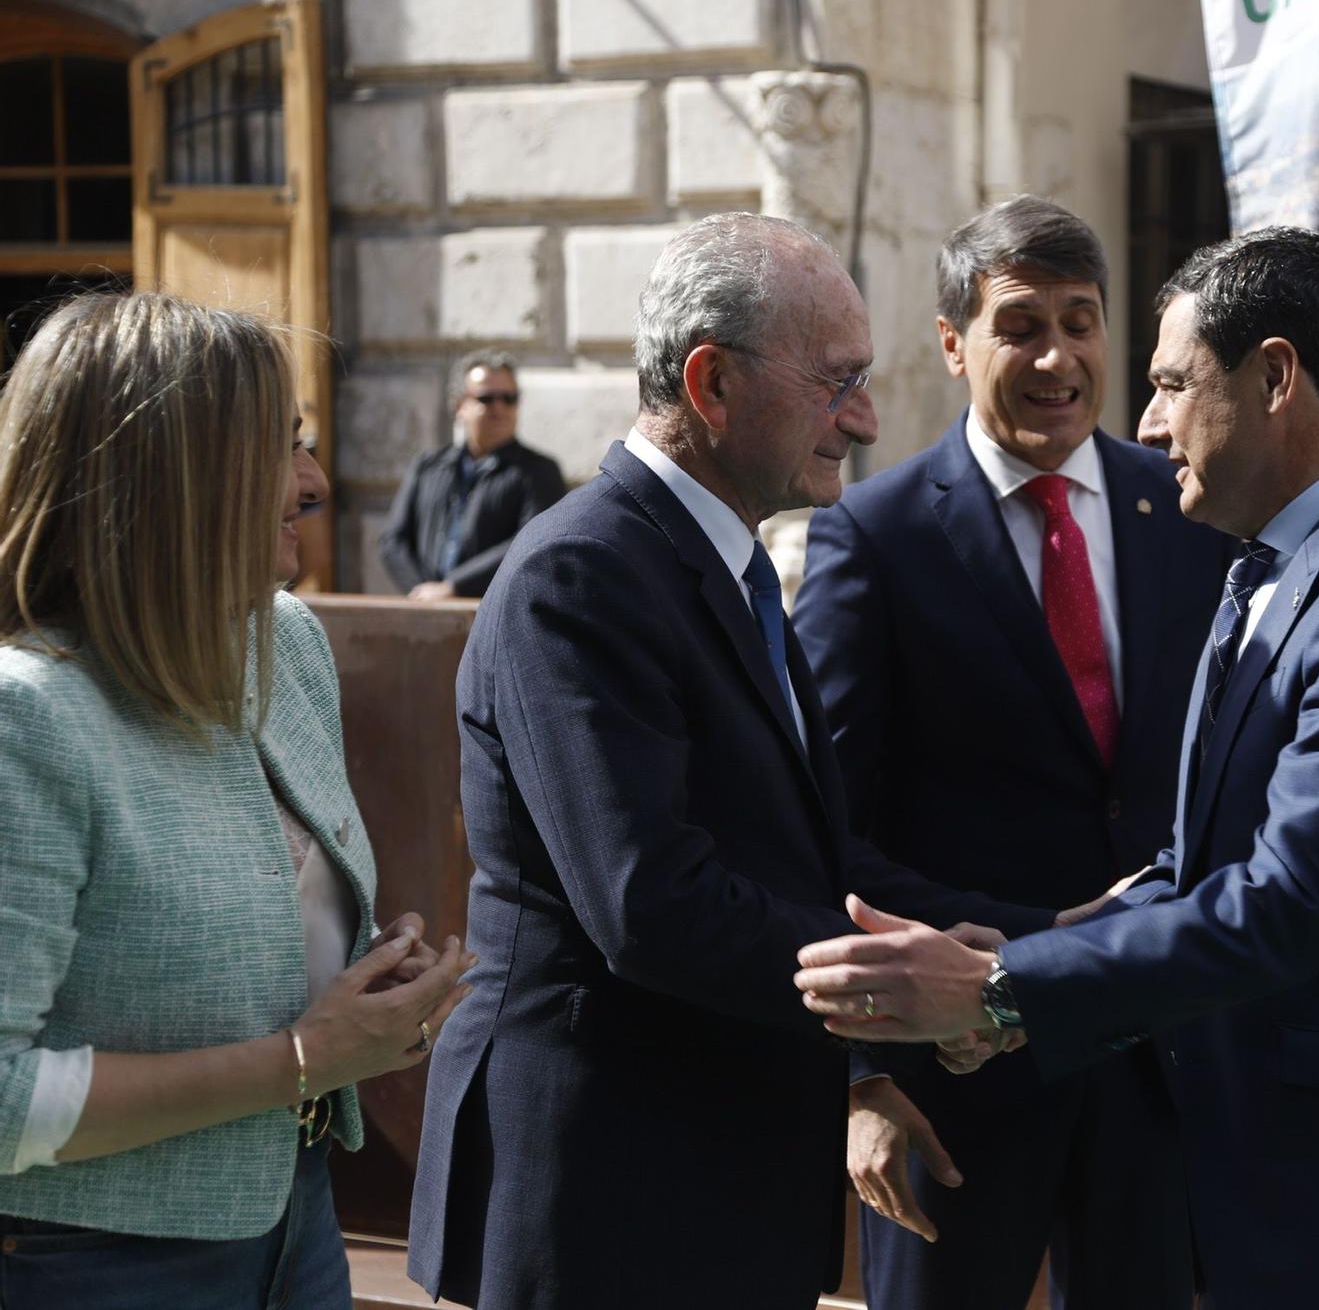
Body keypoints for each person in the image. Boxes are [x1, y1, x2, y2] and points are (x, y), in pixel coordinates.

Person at [795, 227, 1319, 1309]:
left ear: (1273, 378)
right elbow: (1200, 858)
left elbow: (1283, 901)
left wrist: (999, 987)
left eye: (1167, 383)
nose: (1146, 418)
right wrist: (1036, 944)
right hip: (1263, 1166)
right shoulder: (1283, 563)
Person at [405, 214, 1056, 1310]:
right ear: (711, 383)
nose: (864, 416)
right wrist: (912, 996)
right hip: (609, 1203)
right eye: (837, 380)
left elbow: (810, 859)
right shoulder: (584, 575)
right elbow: (649, 899)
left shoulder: (719, 562)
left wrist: (1040, 937)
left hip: (712, 1186)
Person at [793, 196, 1227, 1308]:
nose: (1056, 357)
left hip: (1154, 1055)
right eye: (1020, 324)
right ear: (952, 344)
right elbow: (820, 826)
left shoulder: (1178, 507)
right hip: (957, 1078)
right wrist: (863, 1074)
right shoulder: (873, 535)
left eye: (1079, 323)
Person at [0, 292, 474, 1308]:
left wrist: (375, 1001)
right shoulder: (28, 717)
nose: (313, 481)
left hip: (296, 1221)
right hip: (94, 1264)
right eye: (283, 444)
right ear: (172, 476)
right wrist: (306, 1058)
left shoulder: (285, 641)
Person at [377, 348, 567, 599]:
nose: (499, 408)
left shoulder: (538, 471)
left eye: (509, 398)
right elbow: (393, 542)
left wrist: (454, 587)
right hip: (426, 612)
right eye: (486, 398)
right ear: (459, 405)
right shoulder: (428, 466)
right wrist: (422, 593)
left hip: (495, 615)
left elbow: (531, 544)